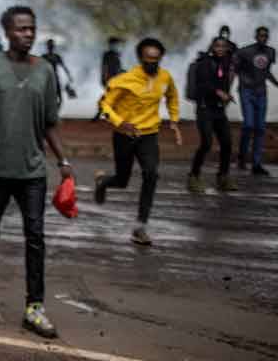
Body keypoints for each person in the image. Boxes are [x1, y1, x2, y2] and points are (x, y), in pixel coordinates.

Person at [0, 6, 72, 339]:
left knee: (36, 238)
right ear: (7, 32)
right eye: (21, 29)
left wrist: (63, 161)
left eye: (32, 29)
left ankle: (34, 307)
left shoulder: (46, 72)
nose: (28, 34)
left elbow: (50, 122)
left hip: (32, 171)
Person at [94, 37, 181, 246]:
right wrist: (119, 122)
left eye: (156, 59)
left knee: (151, 174)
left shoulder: (165, 77)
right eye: (148, 59)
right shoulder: (125, 79)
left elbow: (172, 97)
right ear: (141, 58)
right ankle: (103, 182)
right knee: (122, 181)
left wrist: (174, 121)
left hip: (149, 135)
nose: (152, 63)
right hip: (124, 135)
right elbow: (104, 104)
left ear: (160, 58)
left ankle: (140, 227)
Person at [187, 36, 237, 193]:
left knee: (227, 143)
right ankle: (193, 176)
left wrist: (227, 96)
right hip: (204, 109)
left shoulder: (226, 64)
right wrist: (218, 92)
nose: (220, 49)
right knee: (206, 143)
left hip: (218, 110)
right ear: (212, 47)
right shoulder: (204, 63)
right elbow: (203, 84)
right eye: (217, 46)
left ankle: (223, 177)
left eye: (224, 46)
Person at [235, 26, 277, 175]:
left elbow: (266, 72)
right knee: (248, 124)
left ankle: (256, 164)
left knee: (260, 128)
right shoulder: (245, 51)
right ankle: (241, 156)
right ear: (256, 36)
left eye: (265, 36)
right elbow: (235, 69)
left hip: (261, 93)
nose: (263, 38)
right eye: (260, 35)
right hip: (246, 91)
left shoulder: (271, 52)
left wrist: (276, 83)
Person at [91, 37, 123, 121]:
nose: (115, 46)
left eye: (116, 44)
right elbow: (104, 67)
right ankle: (101, 114)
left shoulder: (117, 54)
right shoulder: (107, 54)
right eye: (114, 44)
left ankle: (105, 114)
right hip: (109, 79)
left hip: (116, 79)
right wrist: (104, 78)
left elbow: (118, 68)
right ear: (110, 45)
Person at [41, 38, 74, 107]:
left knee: (59, 97)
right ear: (47, 47)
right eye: (50, 45)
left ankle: (54, 112)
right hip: (47, 79)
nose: (51, 47)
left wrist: (69, 76)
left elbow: (64, 67)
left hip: (54, 78)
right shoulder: (44, 57)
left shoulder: (56, 56)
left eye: (51, 45)